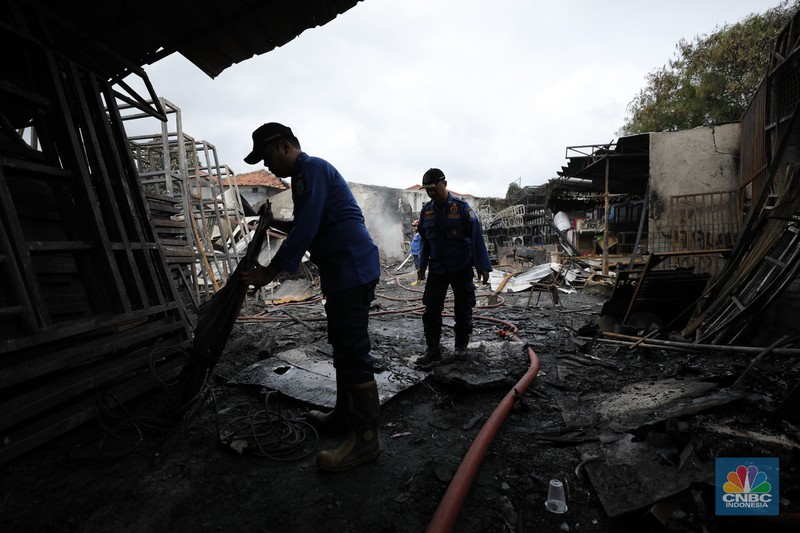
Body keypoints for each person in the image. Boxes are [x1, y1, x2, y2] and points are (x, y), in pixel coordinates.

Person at [240, 122, 382, 472]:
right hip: (341, 273)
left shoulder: (311, 170)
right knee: (341, 345)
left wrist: (270, 272)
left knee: (353, 352)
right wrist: (272, 222)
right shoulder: (307, 178)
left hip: (351, 270)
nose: (268, 166)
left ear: (285, 146)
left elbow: (308, 227)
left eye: (268, 156)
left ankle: (366, 441)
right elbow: (307, 221)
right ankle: (344, 414)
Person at [415, 168, 492, 368]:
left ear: (445, 184)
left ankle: (461, 347)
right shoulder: (426, 212)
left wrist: (483, 266)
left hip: (461, 266)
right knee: (431, 310)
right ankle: (433, 350)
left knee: (463, 308)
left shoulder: (462, 208)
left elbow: (476, 238)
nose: (432, 193)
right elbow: (424, 241)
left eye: (435, 188)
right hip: (438, 269)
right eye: (428, 190)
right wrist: (421, 266)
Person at [409, 220, 423, 286]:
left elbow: (423, 244)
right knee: (417, 266)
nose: (414, 227)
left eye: (415, 226)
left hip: (418, 253)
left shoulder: (421, 234)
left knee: (419, 267)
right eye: (413, 226)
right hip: (415, 253)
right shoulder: (416, 233)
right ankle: (419, 279)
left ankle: (419, 280)